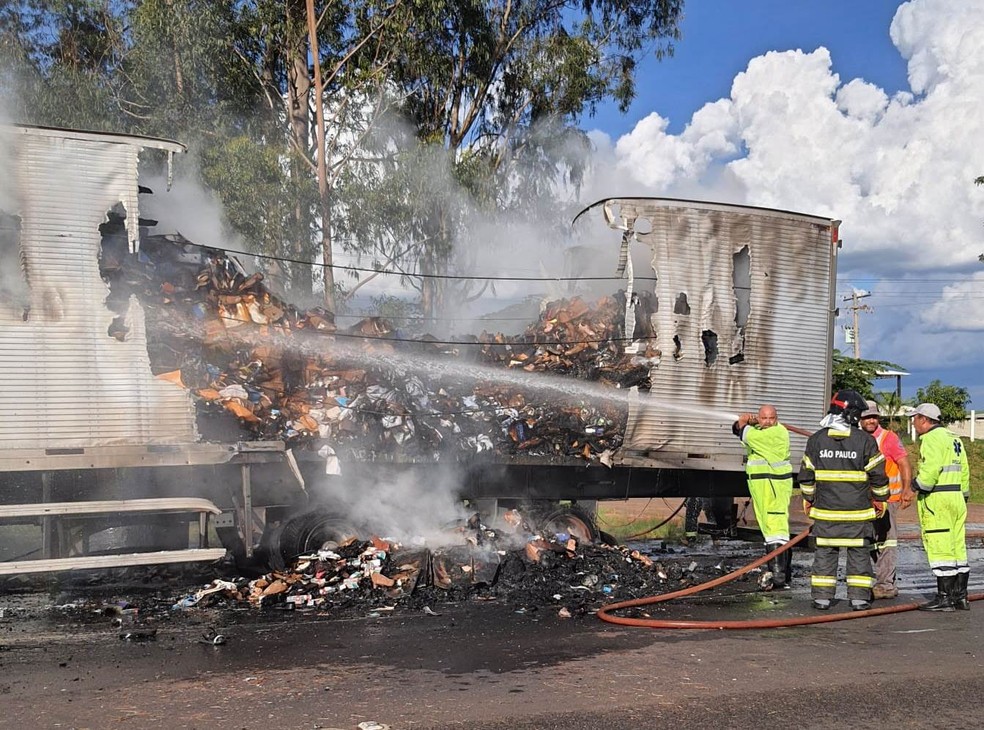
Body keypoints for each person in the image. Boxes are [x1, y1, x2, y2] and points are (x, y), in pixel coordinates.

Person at [798, 390, 889, 610]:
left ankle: (821, 598)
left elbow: (806, 476)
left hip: (826, 513)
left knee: (825, 555)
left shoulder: (816, 440)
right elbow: (878, 476)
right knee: (859, 554)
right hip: (858, 514)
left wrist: (808, 499)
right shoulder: (865, 441)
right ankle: (858, 599)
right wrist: (880, 500)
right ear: (852, 413)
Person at [902, 403, 971, 611]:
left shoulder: (931, 439)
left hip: (938, 498)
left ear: (924, 419)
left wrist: (913, 487)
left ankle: (945, 599)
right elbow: (964, 471)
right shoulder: (954, 438)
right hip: (957, 497)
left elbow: (930, 472)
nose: (913, 423)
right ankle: (961, 597)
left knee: (940, 547)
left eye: (915, 418)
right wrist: (963, 496)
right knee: (957, 547)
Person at [733, 404, 793, 589]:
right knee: (770, 530)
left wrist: (743, 423)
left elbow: (748, 434)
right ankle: (782, 573)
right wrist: (741, 425)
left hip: (774, 486)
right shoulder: (761, 431)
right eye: (764, 418)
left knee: (776, 529)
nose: (767, 422)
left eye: (771, 418)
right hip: (763, 486)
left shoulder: (776, 434)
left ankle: (779, 576)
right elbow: (740, 433)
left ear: (777, 418)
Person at [859, 400, 913, 599]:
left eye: (873, 417)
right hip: (863, 501)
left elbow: (904, 463)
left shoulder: (888, 438)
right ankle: (874, 581)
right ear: (859, 419)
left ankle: (885, 585)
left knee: (886, 543)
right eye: (866, 417)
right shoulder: (856, 439)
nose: (870, 421)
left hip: (887, 500)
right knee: (868, 542)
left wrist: (907, 489)